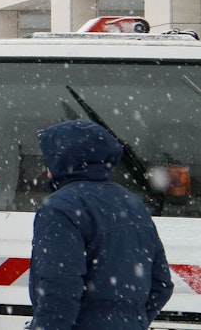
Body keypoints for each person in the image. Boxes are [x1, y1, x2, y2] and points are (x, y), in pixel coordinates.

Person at [29, 119, 173, 329]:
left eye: (49, 157)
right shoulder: (132, 203)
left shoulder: (60, 207)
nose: (46, 166)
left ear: (62, 159)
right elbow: (162, 284)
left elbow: (60, 287)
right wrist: (131, 322)